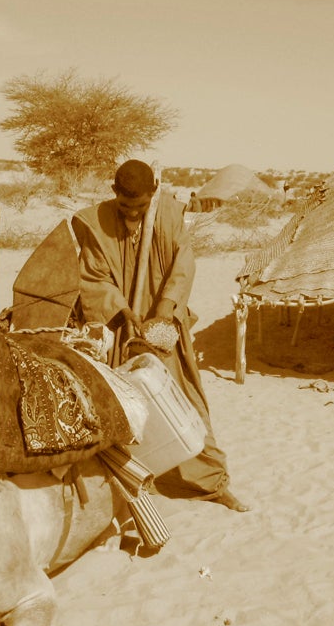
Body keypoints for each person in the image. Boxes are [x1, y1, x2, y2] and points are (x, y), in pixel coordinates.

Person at [71, 160, 250, 512]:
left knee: (183, 404)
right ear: (114, 195)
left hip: (161, 331)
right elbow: (92, 275)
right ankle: (130, 482)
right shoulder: (98, 221)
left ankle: (211, 483)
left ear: (153, 193)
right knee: (122, 409)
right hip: (120, 330)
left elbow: (184, 268)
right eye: (125, 207)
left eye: (140, 208)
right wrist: (121, 310)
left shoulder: (169, 215)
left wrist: (164, 309)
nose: (132, 214)